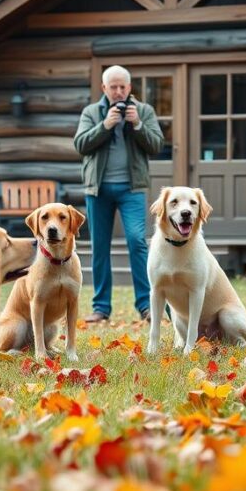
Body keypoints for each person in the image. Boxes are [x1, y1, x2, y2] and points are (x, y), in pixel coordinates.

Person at [74, 65, 164, 323]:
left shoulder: (144, 111)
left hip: (131, 188)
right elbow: (80, 144)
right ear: (104, 88)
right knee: (99, 247)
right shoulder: (91, 112)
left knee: (137, 242)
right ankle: (101, 308)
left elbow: (157, 144)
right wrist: (105, 125)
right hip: (98, 188)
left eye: (122, 87)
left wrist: (137, 124)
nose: (118, 91)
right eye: (113, 87)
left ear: (129, 87)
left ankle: (147, 305)